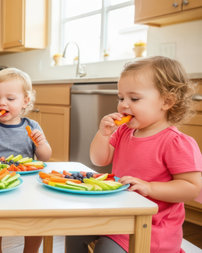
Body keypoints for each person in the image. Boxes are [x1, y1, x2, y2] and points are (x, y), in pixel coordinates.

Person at [66, 56, 202, 253]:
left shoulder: (176, 142)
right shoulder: (123, 132)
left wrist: (149, 187)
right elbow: (99, 159)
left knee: (106, 249)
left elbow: (191, 188)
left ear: (166, 101)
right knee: (73, 230)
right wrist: (103, 135)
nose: (123, 105)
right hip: (118, 212)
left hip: (152, 225)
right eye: (121, 98)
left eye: (134, 99)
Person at [0, 67, 52, 253]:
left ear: (25, 101)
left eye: (10, 99)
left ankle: (30, 250)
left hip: (26, 182)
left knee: (36, 217)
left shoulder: (32, 126)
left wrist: (42, 143)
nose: (2, 103)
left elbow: (45, 157)